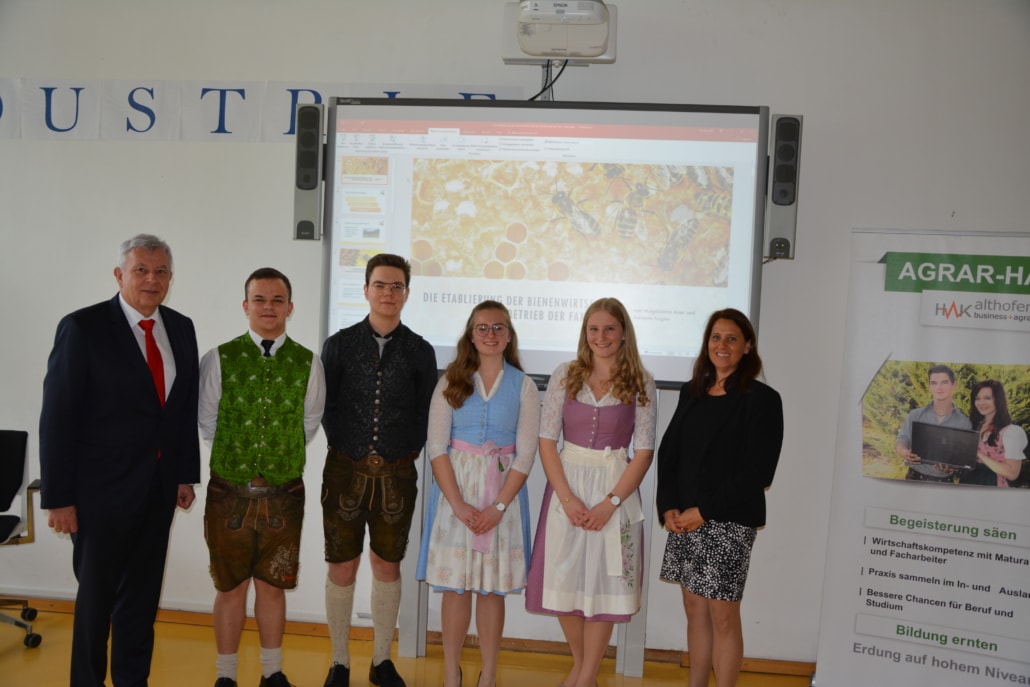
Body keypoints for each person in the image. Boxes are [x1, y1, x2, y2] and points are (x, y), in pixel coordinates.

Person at [38, 233, 201, 687]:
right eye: (140, 270)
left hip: (158, 490)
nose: (151, 280)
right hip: (98, 495)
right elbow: (57, 417)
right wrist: (58, 498)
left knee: (142, 601)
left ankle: (133, 680)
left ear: (170, 278)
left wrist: (184, 475)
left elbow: (182, 409)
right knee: (96, 603)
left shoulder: (180, 327)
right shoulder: (83, 327)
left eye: (160, 271)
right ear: (119, 275)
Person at [198, 268, 326, 687]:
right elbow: (208, 420)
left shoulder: (309, 362)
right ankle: (226, 675)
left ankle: (272, 672)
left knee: (273, 586)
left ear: (290, 307)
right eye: (260, 299)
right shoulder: (218, 358)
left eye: (277, 300)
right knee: (229, 587)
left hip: (283, 493)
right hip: (228, 492)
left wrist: (277, 454)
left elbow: (309, 422)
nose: (268, 307)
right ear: (245, 305)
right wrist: (239, 457)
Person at [525, 297, 656, 687]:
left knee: (604, 583)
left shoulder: (641, 381)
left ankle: (582, 678)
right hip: (567, 488)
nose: (601, 336)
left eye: (609, 329)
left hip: (614, 490)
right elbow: (547, 441)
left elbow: (644, 451)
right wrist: (567, 499)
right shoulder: (565, 375)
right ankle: (585, 670)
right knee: (564, 579)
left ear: (623, 333)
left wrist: (610, 503)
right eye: (593, 329)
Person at [320, 254, 438, 687]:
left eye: (397, 286)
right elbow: (326, 405)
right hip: (343, 471)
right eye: (381, 285)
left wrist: (402, 451)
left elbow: (426, 412)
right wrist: (350, 448)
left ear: (406, 293)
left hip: (398, 474)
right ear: (366, 290)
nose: (388, 293)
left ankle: (381, 661)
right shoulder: (338, 344)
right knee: (342, 565)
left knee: (388, 565)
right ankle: (339, 661)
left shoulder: (421, 350)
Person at [655, 308, 783, 687]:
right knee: (694, 608)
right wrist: (668, 506)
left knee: (723, 616)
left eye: (731, 338)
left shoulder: (762, 399)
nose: (721, 345)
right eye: (715, 337)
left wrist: (705, 511)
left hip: (728, 521)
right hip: (684, 520)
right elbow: (670, 454)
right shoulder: (691, 392)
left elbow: (758, 473)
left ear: (747, 346)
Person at [415, 301, 541, 687]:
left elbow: (526, 454)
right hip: (455, 494)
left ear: (509, 335)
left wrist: (499, 506)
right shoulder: (450, 382)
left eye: (498, 327)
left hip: (501, 496)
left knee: (491, 588)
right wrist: (457, 504)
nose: (490, 334)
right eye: (482, 328)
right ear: (471, 335)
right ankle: (450, 671)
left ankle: (489, 673)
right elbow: (437, 447)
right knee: (455, 586)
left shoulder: (524, 386)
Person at [895, 364, 971, 482]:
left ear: (954, 385)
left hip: (944, 482)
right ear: (929, 386)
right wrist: (904, 452)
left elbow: (963, 459)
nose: (939, 387)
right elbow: (902, 439)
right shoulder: (915, 415)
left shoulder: (964, 422)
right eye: (934, 383)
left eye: (944, 382)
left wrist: (953, 467)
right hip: (914, 478)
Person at [958, 380, 1028, 487]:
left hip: (992, 488)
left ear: (998, 400)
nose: (981, 403)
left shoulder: (1011, 432)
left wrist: (978, 454)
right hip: (967, 485)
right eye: (977, 398)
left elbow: (1012, 474)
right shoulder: (975, 426)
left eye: (987, 398)